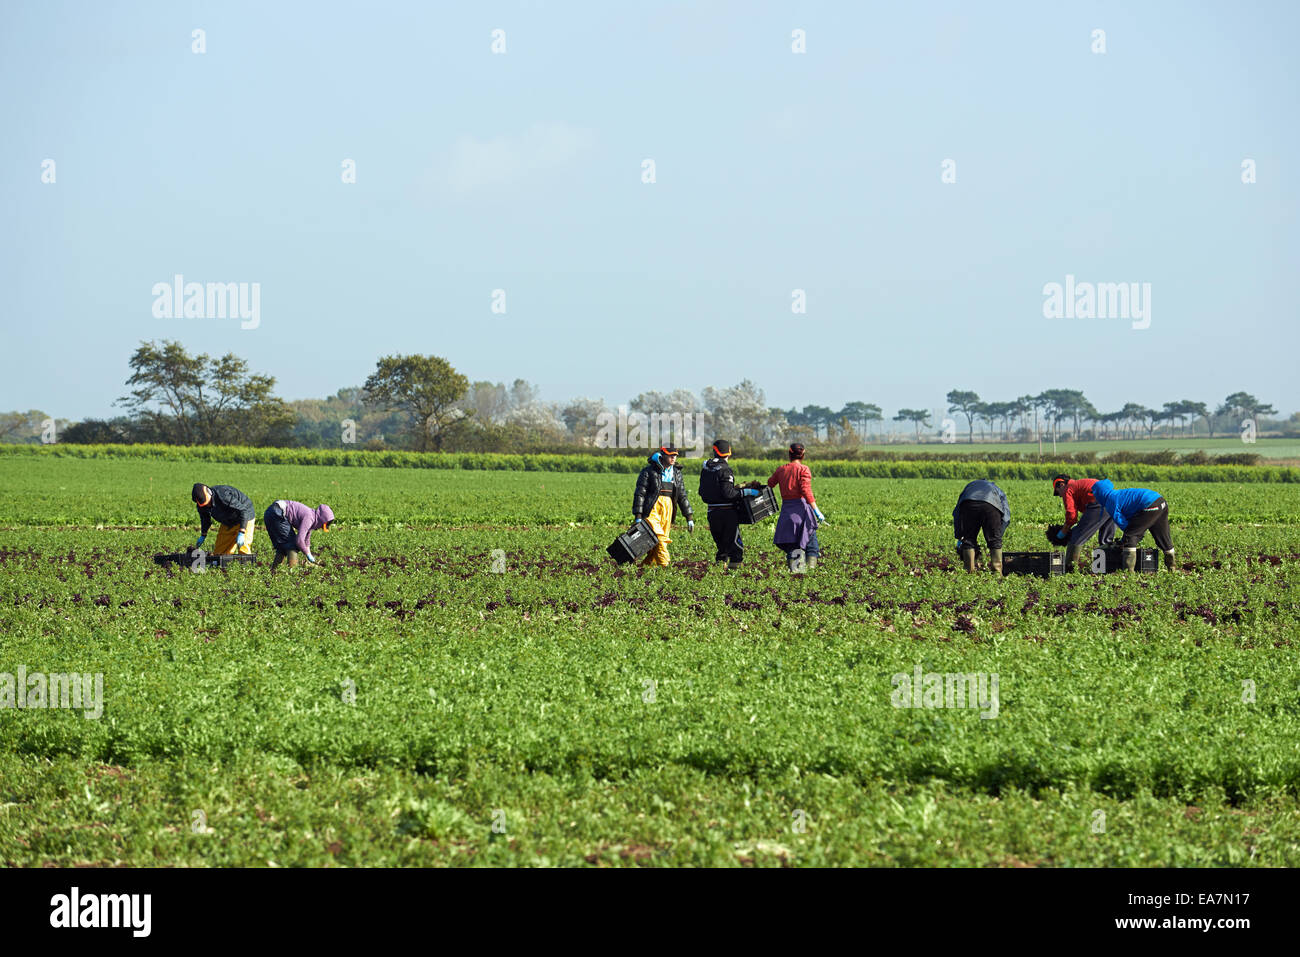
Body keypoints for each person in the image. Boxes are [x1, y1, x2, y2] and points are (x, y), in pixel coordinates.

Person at [698, 439, 763, 569]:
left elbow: (702, 491)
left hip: (712, 513)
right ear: (729, 453)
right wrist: (748, 491)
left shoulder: (706, 468)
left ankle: (718, 574)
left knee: (722, 547)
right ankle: (734, 577)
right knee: (735, 548)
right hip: (727, 513)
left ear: (714, 451)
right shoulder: (725, 469)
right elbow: (728, 494)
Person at [1089, 480, 1176, 571]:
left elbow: (1123, 524)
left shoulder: (1110, 501)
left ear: (1100, 493)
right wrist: (1137, 532)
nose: (1094, 497)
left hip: (1149, 505)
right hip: (1160, 501)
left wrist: (1126, 540)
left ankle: (1128, 572)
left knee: (1130, 536)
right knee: (1163, 537)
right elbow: (1135, 521)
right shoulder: (1117, 495)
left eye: (1095, 494)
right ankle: (1172, 568)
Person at [632, 446, 694, 567]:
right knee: (660, 539)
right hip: (652, 509)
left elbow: (682, 496)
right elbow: (640, 493)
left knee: (657, 542)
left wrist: (689, 517)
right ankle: (665, 565)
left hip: (668, 509)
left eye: (675, 455)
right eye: (670, 455)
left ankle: (647, 568)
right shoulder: (648, 471)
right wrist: (638, 516)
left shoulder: (676, 473)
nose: (673, 458)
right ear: (662, 455)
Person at [768, 443, 825, 571]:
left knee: (793, 545)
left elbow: (770, 483)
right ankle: (809, 574)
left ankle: (796, 573)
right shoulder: (804, 469)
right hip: (803, 512)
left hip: (787, 513)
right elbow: (806, 491)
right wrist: (816, 511)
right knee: (811, 546)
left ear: (789, 454)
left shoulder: (781, 469)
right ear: (803, 455)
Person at [1050, 474, 1117, 569]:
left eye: (1058, 492)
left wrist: (1063, 532)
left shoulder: (1068, 489)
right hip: (1114, 502)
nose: (1060, 496)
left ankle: (1070, 568)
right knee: (1106, 540)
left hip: (1098, 503)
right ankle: (1108, 567)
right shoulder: (1080, 484)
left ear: (1061, 485)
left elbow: (1072, 516)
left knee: (1076, 536)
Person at [953, 479, 1009, 576]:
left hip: (968, 503)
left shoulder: (968, 487)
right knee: (994, 540)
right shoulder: (996, 489)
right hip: (991, 504)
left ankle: (969, 571)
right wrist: (997, 535)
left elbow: (957, 513)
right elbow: (1006, 517)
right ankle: (997, 573)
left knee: (969, 538)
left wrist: (960, 536)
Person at [263, 499, 335, 570]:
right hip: (277, 513)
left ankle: (273, 572)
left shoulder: (311, 517)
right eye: (322, 526)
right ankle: (293, 573)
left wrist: (309, 553)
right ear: (321, 520)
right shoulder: (309, 518)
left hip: (271, 512)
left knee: (282, 548)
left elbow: (306, 539)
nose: (320, 528)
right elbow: (299, 540)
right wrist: (307, 554)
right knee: (292, 546)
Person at [192, 483, 255, 556]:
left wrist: (242, 532)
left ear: (209, 493)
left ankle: (246, 565)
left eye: (207, 503)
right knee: (219, 553)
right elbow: (205, 519)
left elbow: (243, 511)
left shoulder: (223, 495)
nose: (207, 506)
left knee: (243, 549)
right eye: (204, 505)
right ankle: (223, 566)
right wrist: (203, 534)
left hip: (244, 517)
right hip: (228, 521)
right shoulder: (201, 506)